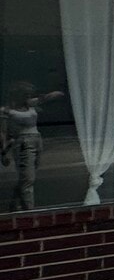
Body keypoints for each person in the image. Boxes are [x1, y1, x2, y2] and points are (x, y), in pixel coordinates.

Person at [3, 83, 61, 212]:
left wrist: (54, 94)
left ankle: (14, 204)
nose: (28, 98)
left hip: (36, 140)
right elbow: (3, 132)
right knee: (28, 178)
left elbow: (48, 97)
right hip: (23, 142)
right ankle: (29, 210)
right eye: (26, 95)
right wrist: (4, 152)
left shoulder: (30, 105)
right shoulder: (7, 111)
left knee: (28, 177)